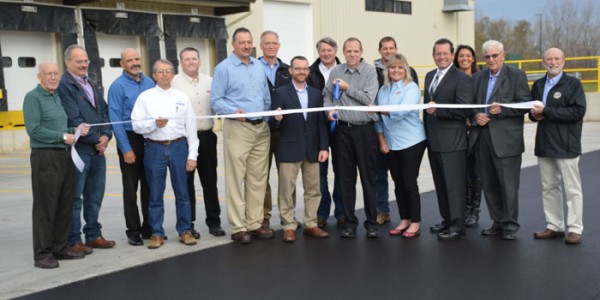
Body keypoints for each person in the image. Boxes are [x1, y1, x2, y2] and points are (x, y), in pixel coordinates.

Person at [211, 27, 273, 244]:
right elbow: (216, 101)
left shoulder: (258, 66)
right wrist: (232, 112)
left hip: (260, 129)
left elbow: (265, 95)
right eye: (242, 42)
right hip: (238, 128)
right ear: (233, 44)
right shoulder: (223, 69)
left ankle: (255, 223)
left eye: (249, 42)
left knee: (258, 179)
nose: (247, 46)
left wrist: (265, 117)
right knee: (236, 178)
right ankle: (238, 226)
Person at [24, 62, 90, 268]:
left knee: (64, 205)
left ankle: (60, 248)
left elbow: (60, 126)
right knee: (45, 207)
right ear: (39, 77)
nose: (53, 77)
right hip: (45, 157)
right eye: (48, 74)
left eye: (56, 74)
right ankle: (42, 254)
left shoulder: (56, 97)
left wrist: (75, 129)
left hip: (64, 155)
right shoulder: (33, 98)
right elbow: (33, 129)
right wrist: (63, 136)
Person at [131, 59, 199, 249]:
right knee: (155, 193)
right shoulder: (145, 97)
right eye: (160, 71)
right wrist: (154, 124)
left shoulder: (182, 97)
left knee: (182, 192)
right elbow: (136, 125)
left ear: (173, 74)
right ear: (154, 75)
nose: (165, 74)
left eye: (168, 71)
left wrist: (192, 155)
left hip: (179, 147)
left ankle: (185, 230)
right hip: (154, 148)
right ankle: (156, 233)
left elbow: (191, 127)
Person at [57, 45, 115, 255]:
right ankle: (74, 240)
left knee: (95, 195)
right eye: (78, 61)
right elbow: (73, 118)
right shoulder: (65, 85)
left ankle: (93, 235)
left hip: (98, 150)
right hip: (80, 150)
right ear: (68, 63)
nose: (83, 65)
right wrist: (95, 139)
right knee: (75, 197)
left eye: (86, 61)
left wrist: (106, 136)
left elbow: (105, 112)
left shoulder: (91, 83)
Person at [471, 40, 531, 240]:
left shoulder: (516, 75)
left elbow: (525, 105)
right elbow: (471, 105)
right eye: (487, 56)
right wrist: (475, 116)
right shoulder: (478, 77)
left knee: (508, 185)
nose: (491, 60)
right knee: (489, 184)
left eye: (494, 55)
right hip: (483, 136)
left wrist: (503, 109)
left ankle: (510, 224)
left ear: (503, 55)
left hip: (506, 139)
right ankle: (497, 221)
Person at [323, 37, 379, 239]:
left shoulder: (370, 71)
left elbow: (368, 99)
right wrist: (329, 110)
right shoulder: (336, 71)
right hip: (342, 131)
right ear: (344, 52)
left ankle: (372, 222)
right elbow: (327, 95)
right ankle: (349, 222)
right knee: (345, 179)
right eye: (349, 51)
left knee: (368, 179)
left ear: (361, 51)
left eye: (356, 51)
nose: (352, 54)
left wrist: (347, 88)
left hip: (364, 130)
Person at [530, 47, 586, 245]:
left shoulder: (573, 84)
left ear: (564, 61)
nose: (552, 62)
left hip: (566, 144)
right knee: (549, 187)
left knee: (572, 189)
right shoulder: (537, 85)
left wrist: (547, 111)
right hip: (545, 143)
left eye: (556, 59)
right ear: (543, 62)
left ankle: (575, 229)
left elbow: (578, 112)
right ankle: (554, 225)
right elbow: (533, 112)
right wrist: (534, 115)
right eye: (549, 59)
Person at [272, 56, 330, 242]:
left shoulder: (315, 94)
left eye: (305, 69)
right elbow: (272, 121)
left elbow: (321, 122)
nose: (302, 72)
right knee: (286, 190)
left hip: (312, 148)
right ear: (290, 71)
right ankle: (288, 225)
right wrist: (276, 119)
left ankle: (311, 223)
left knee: (314, 189)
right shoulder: (280, 93)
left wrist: (323, 147)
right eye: (298, 69)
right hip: (289, 148)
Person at [172, 47, 225, 238]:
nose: (191, 62)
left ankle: (214, 222)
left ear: (200, 60)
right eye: (187, 59)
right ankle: (189, 224)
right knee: (186, 184)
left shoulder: (211, 81)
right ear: (181, 62)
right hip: (184, 140)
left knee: (210, 182)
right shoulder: (174, 83)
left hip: (207, 137)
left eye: (194, 58)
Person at [424, 38, 473, 240]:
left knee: (454, 186)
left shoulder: (461, 78)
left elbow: (464, 110)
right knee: (442, 185)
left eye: (445, 53)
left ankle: (457, 225)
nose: (441, 57)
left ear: (452, 55)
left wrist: (439, 111)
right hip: (434, 140)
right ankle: (446, 220)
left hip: (452, 141)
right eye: (438, 53)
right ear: (433, 55)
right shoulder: (429, 76)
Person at [375, 54, 426, 239]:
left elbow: (401, 112)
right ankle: (404, 219)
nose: (396, 70)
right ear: (387, 70)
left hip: (412, 141)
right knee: (398, 183)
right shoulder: (383, 90)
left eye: (400, 67)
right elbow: (378, 120)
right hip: (391, 143)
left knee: (409, 182)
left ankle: (415, 222)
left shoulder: (411, 88)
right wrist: (382, 141)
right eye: (392, 67)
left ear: (406, 70)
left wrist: (377, 109)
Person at [107, 48, 155, 246]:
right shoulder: (117, 87)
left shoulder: (150, 83)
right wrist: (126, 148)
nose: (135, 63)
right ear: (122, 64)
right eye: (130, 60)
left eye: (137, 59)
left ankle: (149, 227)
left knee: (150, 186)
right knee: (130, 188)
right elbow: (115, 119)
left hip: (150, 138)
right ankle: (133, 230)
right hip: (130, 138)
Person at [307, 37, 344, 229]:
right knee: (319, 174)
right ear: (318, 51)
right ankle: (321, 212)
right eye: (323, 50)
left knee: (342, 171)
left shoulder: (346, 70)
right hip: (317, 127)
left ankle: (342, 212)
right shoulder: (310, 72)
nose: (327, 53)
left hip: (342, 127)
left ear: (336, 51)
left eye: (330, 50)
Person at [258, 31, 292, 229]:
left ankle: (287, 216)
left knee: (286, 176)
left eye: (274, 43)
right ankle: (263, 216)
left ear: (279, 45)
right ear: (261, 46)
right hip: (261, 129)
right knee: (261, 176)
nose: (271, 46)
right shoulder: (253, 68)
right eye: (267, 43)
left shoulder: (288, 70)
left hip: (284, 131)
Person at [453, 44, 482, 227]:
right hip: (458, 131)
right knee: (461, 174)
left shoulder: (480, 78)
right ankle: (462, 210)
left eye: (468, 55)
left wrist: (473, 117)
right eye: (461, 56)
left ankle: (474, 211)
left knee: (475, 174)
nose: (464, 59)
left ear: (473, 58)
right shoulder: (454, 78)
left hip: (477, 131)